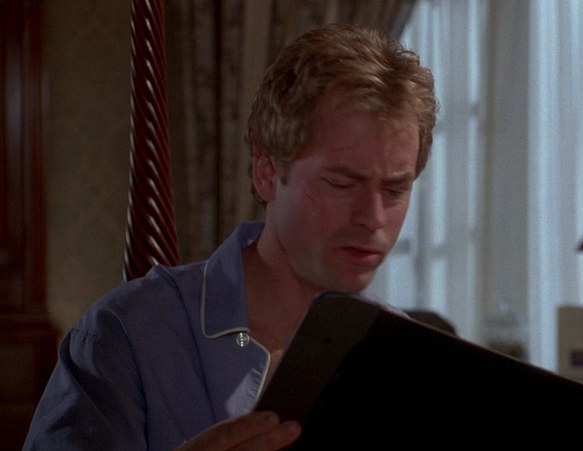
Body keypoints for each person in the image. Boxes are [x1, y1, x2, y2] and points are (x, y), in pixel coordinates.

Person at [23, 23, 437, 450]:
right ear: (266, 174)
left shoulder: (407, 356)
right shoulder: (129, 333)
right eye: (342, 184)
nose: (373, 218)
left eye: (395, 190)